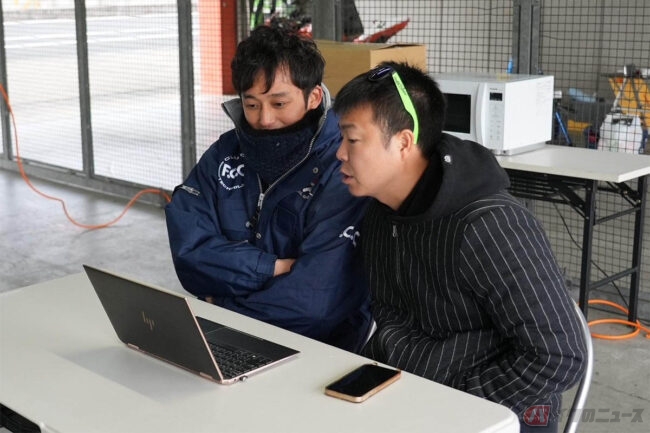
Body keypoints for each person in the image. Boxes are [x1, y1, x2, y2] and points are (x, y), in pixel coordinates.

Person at [332, 61, 587, 432]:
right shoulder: (382, 213)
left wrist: (462, 405)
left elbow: (560, 354)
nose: (339, 153)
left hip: (492, 413)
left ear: (403, 142)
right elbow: (390, 319)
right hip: (409, 395)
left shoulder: (490, 225)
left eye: (352, 140)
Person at [165, 26, 371, 352]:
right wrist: (273, 268)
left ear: (314, 97)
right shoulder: (224, 154)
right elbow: (189, 253)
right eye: (251, 104)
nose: (265, 119)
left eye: (279, 103)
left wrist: (220, 306)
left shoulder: (343, 166)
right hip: (228, 342)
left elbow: (315, 302)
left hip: (324, 350)